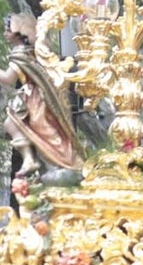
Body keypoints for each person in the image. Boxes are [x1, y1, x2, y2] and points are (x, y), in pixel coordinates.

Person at [0, 13, 84, 176]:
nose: (4, 34)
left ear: (18, 33)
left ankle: (66, 162)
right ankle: (29, 160)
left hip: (36, 100)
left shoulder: (22, 54)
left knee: (46, 133)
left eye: (7, 30)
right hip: (28, 97)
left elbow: (8, 78)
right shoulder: (22, 52)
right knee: (11, 125)